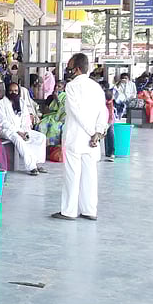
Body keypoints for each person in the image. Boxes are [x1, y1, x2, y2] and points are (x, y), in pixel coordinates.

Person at [53, 53, 108, 221]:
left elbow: (76, 112)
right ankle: (89, 210)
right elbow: (103, 112)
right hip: (92, 141)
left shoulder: (72, 87)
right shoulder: (96, 87)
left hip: (76, 138)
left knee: (72, 175)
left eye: (69, 67)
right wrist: (97, 132)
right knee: (90, 176)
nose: (67, 71)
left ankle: (69, 211)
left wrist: (92, 131)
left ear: (76, 69)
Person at [0, 82, 47, 176]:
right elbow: (2, 122)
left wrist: (25, 132)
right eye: (11, 91)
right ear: (7, 91)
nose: (13, 93)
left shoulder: (21, 102)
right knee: (18, 140)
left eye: (15, 91)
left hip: (22, 129)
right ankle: (32, 167)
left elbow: (25, 118)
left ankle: (37, 163)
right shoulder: (1, 103)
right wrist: (18, 132)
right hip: (6, 130)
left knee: (41, 137)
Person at [38, 80, 66, 146]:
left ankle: (52, 146)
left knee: (54, 128)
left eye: (59, 86)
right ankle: (42, 146)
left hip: (59, 118)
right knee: (40, 126)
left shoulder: (65, 97)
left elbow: (62, 109)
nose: (56, 88)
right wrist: (52, 111)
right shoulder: (50, 97)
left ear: (63, 88)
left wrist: (56, 98)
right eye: (55, 86)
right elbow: (45, 110)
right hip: (49, 116)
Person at [103, 89, 116, 162]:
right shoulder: (100, 101)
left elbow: (110, 116)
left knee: (110, 135)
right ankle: (108, 152)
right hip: (101, 120)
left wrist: (107, 125)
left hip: (108, 121)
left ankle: (111, 153)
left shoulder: (109, 103)